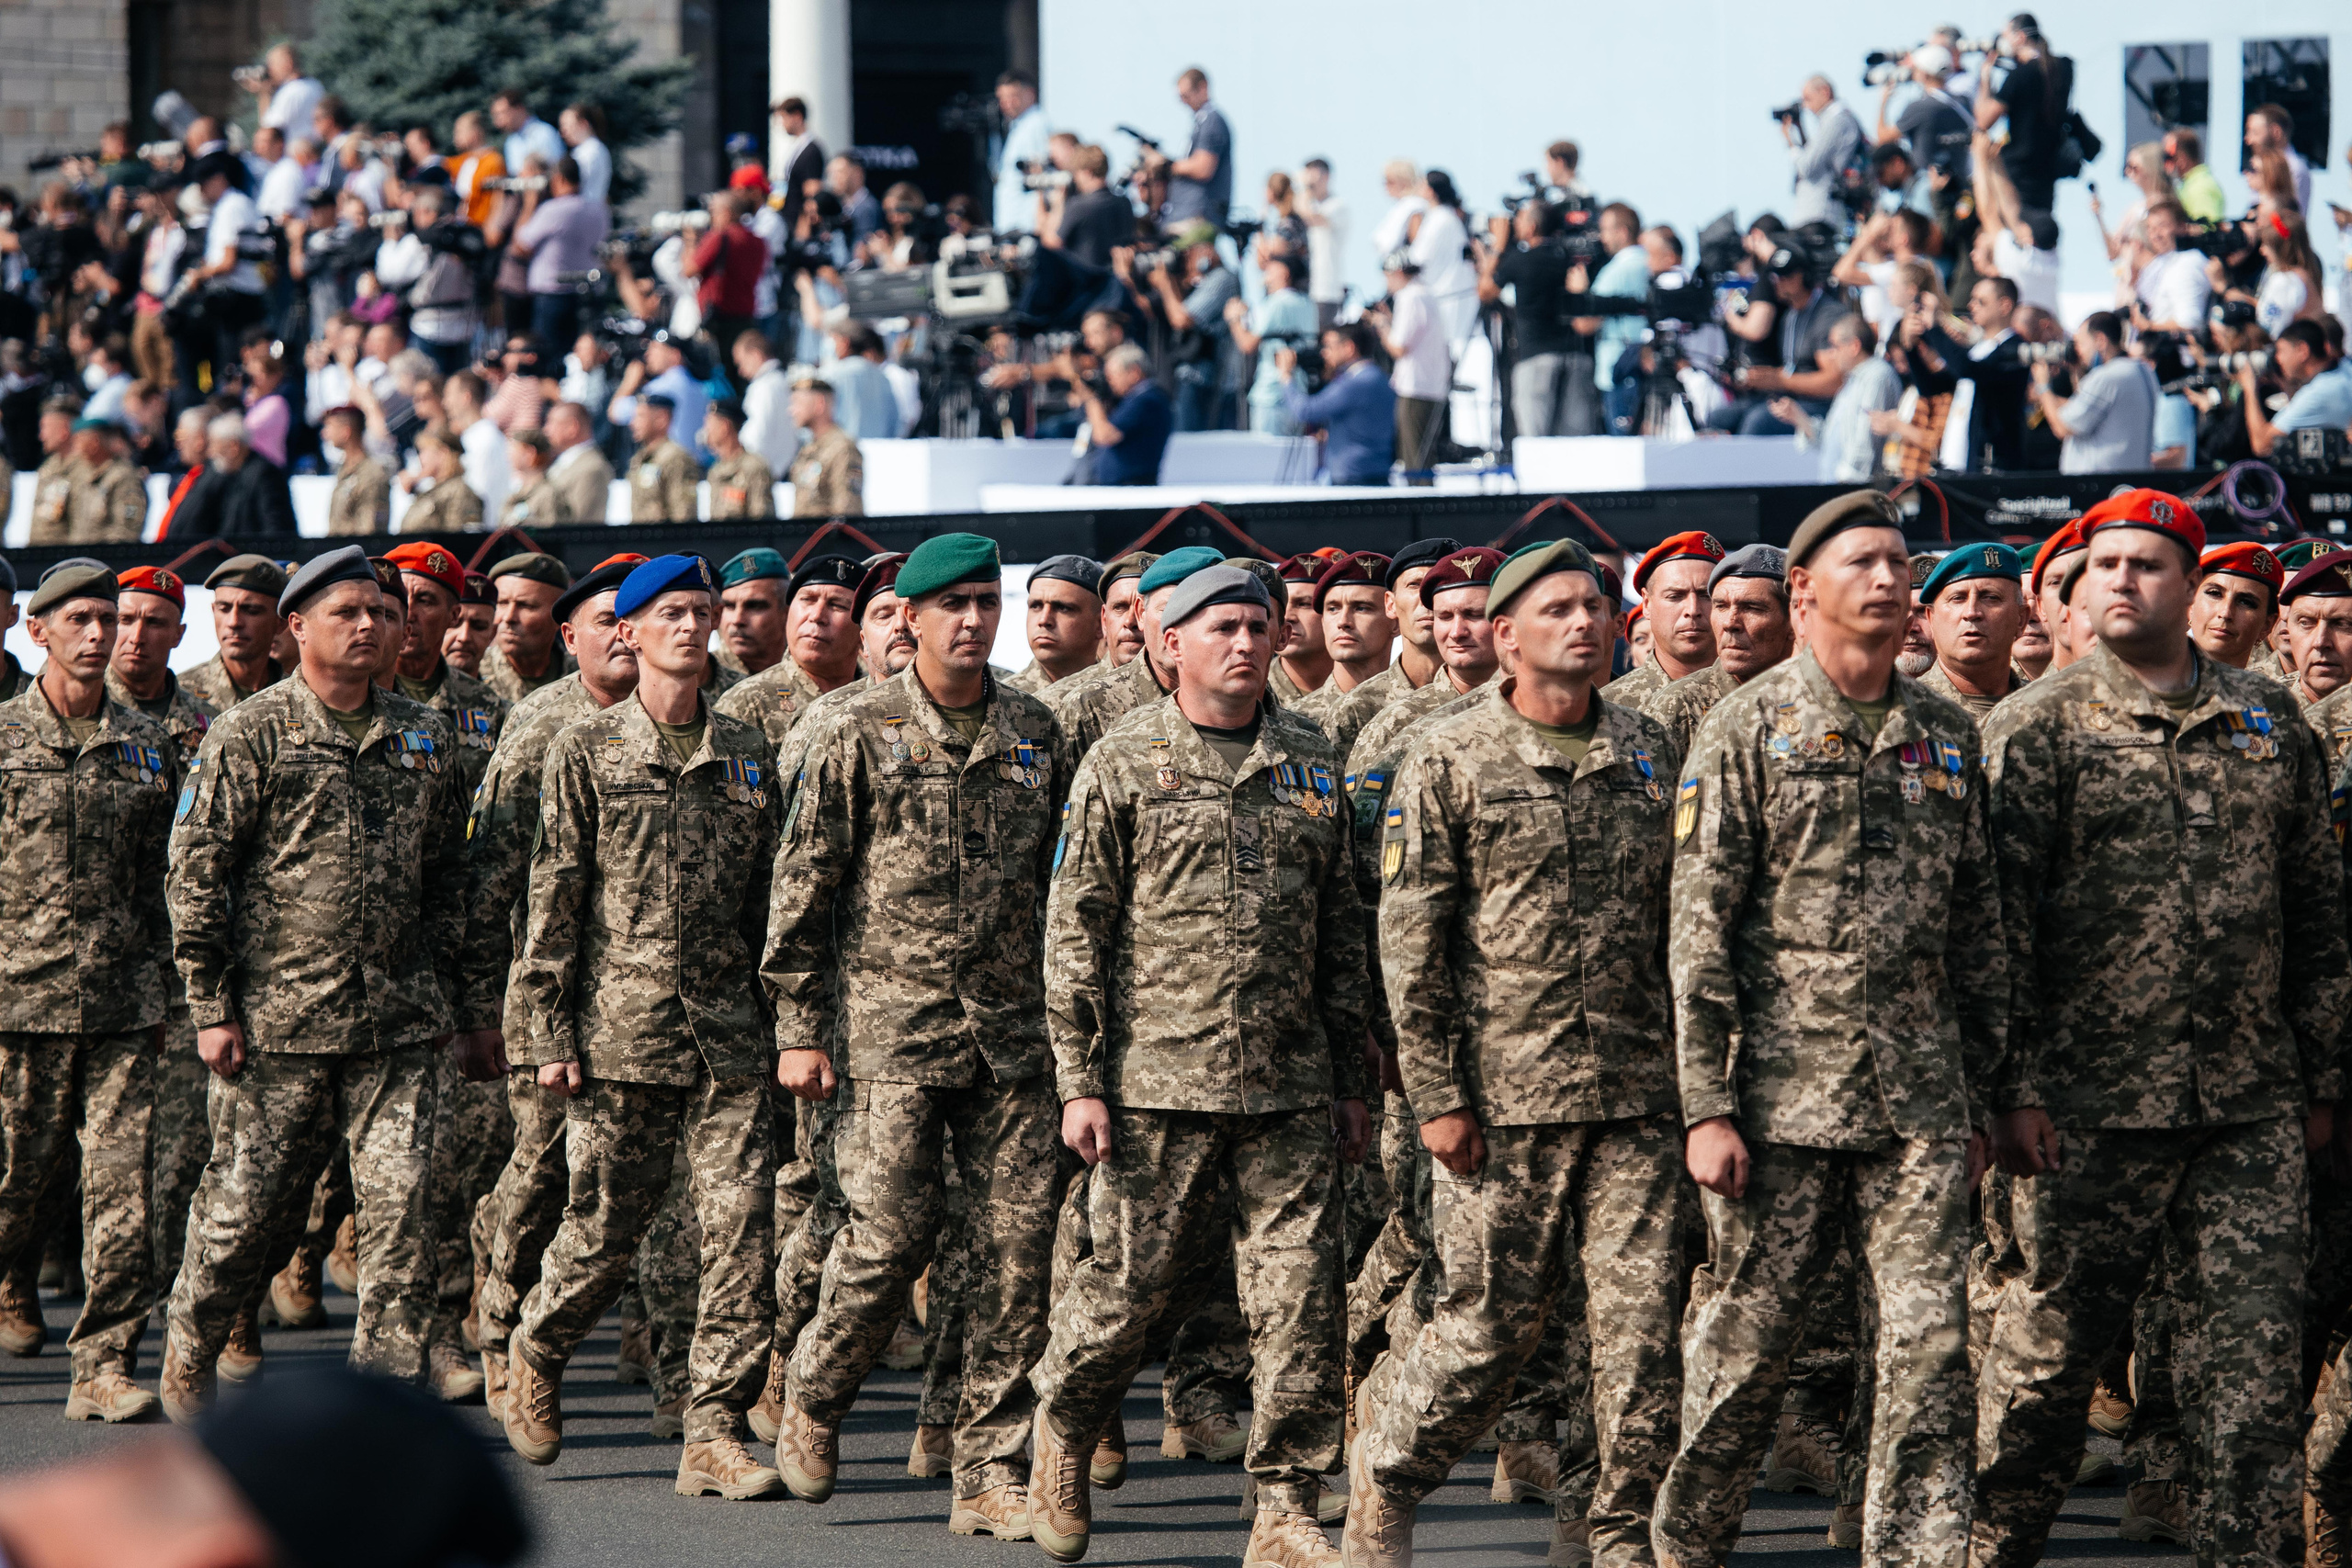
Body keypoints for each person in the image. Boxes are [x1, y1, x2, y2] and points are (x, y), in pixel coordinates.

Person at [1973, 489, 2347, 1568]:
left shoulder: (2267, 722)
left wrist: (2318, 1082)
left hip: (2248, 1107)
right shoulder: (2032, 728)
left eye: (2146, 564)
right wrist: (2014, 1089)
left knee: (2253, 1377)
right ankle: (1991, 1550)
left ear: (2189, 586)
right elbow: (1995, 930)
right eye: (2106, 566)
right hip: (2086, 1112)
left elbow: (2315, 913)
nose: (2122, 581)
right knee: (2045, 1374)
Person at [1657, 490, 2003, 1568]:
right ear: (1806, 590)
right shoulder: (1745, 727)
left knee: (1929, 1346)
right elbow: (1699, 930)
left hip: (1919, 1103)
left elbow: (1978, 929)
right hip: (1780, 1101)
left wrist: (1988, 1093)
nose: (1892, 580)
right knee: (1745, 1353)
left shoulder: (1943, 735)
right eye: (1865, 562)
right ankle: (1688, 1541)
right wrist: (1707, 1106)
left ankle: (1913, 1547)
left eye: (1901, 562)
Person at [1344, 536, 1683, 1568]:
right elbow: (1413, 944)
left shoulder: (1647, 749)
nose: (1584, 623)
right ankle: (1384, 1480)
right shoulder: (1449, 758)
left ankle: (1612, 1529)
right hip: (1504, 1102)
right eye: (1557, 610)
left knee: (1634, 1344)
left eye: (1595, 606)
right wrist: (1440, 1097)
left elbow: (1688, 924)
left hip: (1636, 1098)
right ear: (1502, 636)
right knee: (1486, 1332)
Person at [1026, 562, 1368, 1568]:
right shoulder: (1124, 761)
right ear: (1167, 642)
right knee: (1124, 1293)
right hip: (1154, 1083)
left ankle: (1286, 1504)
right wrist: (1079, 1081)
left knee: (1300, 1302)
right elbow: (1075, 930)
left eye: (1260, 625)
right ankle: (1064, 1426)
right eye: (1222, 625)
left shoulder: (1311, 755)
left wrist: (1352, 1079)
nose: (1247, 642)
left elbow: (1341, 931)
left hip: (1292, 1083)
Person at [759, 534, 1069, 1535]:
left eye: (987, 601)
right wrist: (799, 1028)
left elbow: (1062, 891)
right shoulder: (850, 727)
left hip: (1014, 1037)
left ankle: (986, 1468)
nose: (974, 621)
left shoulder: (1034, 727)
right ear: (912, 618)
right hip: (888, 1029)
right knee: (886, 1240)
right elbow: (803, 887)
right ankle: (814, 1390)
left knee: (1014, 1257)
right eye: (954, 605)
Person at [159, 546, 469, 1418]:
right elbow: (196, 873)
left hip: (400, 1028)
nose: (370, 624)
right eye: (347, 612)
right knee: (241, 1216)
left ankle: (384, 1412)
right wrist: (212, 1006)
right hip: (278, 1025)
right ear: (297, 628)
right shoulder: (251, 731)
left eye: (382, 610)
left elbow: (453, 873)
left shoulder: (424, 734)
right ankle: (191, 1346)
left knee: (403, 1222)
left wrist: (447, 990)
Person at [499, 555, 784, 1500]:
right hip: (619, 1032)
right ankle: (537, 1345)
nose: (693, 626)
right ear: (624, 631)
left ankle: (713, 1431)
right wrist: (546, 1033)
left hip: (729, 1034)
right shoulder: (585, 748)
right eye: (671, 612)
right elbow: (554, 898)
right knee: (604, 1230)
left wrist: (786, 1021)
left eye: (703, 611)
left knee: (741, 1232)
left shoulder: (747, 751)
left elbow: (767, 907)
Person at [0, 564, 178, 1424]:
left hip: (120, 1005)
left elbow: (164, 879)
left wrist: (168, 991)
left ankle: (104, 1363)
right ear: (37, 631)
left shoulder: (149, 743)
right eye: (80, 618)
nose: (101, 635)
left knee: (122, 1192)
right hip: (14, 1007)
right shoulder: (1, 739)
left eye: (108, 619)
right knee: (13, 1188)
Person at [1639, 544, 1795, 752]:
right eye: (1720, 606)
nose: (1730, 623)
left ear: (1795, 619)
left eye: (1752, 608)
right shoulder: (1676, 708)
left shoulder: (1826, 697)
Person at [1482, 202, 1588, 440]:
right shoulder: (1570, 258)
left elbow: (1486, 292)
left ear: (1531, 227)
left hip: (1535, 357)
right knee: (1573, 441)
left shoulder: (1521, 260)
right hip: (1574, 356)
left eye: (1519, 219)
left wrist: (1498, 247)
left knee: (1535, 439)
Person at [1602, 532, 1727, 704]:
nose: (1692, 610)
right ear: (1646, 604)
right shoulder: (1610, 706)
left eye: (1706, 596)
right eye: (1675, 596)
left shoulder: (1760, 698)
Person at [2030, 310, 2156, 474]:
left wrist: (2043, 386)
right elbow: (2086, 409)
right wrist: (2077, 371)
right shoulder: (2142, 370)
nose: (2077, 351)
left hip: (2098, 485)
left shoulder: (2106, 377)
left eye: (2080, 344)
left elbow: (2062, 428)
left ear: (2100, 340)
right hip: (2131, 478)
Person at [1777, 315, 1899, 481]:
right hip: (1840, 489)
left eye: (1834, 346)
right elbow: (1831, 441)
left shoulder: (1876, 376)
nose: (1831, 353)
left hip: (1854, 492)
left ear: (1854, 346)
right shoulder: (1852, 381)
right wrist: (1798, 417)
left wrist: (1845, 489)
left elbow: (1866, 442)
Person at [1975, 14, 2075, 218]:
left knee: (2017, 226)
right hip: (2049, 165)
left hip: (2019, 169)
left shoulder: (2019, 77)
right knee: (2041, 225)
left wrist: (1985, 77)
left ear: (2019, 37)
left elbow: (1984, 120)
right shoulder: (2063, 67)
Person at [1915, 544, 2030, 718]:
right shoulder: (1898, 713)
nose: (1971, 613)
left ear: (2021, 619)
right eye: (1957, 598)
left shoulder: (2054, 711)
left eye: (1991, 597)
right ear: (1931, 619)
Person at [1274, 321, 1395, 487]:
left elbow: (1305, 411)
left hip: (1352, 478)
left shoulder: (1354, 383)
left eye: (1329, 346)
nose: (1324, 353)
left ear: (1349, 348)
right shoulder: (1380, 377)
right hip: (1377, 472)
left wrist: (1286, 376)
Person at [511, 158, 608, 350]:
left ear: (559, 179)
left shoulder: (552, 210)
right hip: (588, 293)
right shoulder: (599, 209)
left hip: (552, 294)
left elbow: (520, 246)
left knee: (549, 354)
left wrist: (529, 204)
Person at [180, 556, 288, 713]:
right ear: (213, 611)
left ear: (280, 623)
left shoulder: (304, 698)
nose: (234, 622)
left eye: (251, 611)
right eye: (224, 608)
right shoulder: (180, 694)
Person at [1375, 252, 1448, 479]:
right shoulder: (1426, 295)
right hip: (1431, 385)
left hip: (1415, 387)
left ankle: (1420, 509)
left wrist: (1381, 326)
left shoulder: (1409, 297)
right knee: (1424, 456)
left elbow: (1398, 347)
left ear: (1397, 273)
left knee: (1414, 459)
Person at [1227, 255, 1318, 436]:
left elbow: (1247, 344)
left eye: (1271, 269)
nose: (1265, 273)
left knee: (1265, 458)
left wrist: (1234, 319)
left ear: (1284, 273)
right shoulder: (1308, 304)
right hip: (1297, 391)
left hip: (1270, 394)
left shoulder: (1275, 304)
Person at [170, 414, 298, 539]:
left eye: (214, 445)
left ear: (233, 447)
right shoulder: (225, 474)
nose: (210, 452)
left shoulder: (265, 475)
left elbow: (276, 529)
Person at [2243, 320, 2352, 459]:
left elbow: (2262, 445)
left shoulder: (2320, 392)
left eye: (2281, 351)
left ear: (2303, 350)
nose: (2277, 359)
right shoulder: (2344, 368)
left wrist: (2249, 388)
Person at [480, 553, 576, 703]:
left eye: (526, 606)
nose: (508, 617)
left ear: (559, 615)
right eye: (502, 603)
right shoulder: (472, 674)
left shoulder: (585, 676)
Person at [1070, 344, 1170, 488]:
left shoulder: (1147, 398)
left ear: (1134, 372)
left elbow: (1105, 436)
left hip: (1131, 489)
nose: (1110, 383)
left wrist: (1091, 399)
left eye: (1113, 376)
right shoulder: (1136, 398)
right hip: (1122, 487)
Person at [1011, 554, 1106, 693]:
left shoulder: (1123, 694)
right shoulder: (999, 700)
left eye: (1063, 608)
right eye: (1036, 606)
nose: (1044, 620)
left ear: (1100, 624)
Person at [1782, 75, 1864, 231]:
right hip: (1818, 211)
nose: (1806, 106)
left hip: (1820, 212)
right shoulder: (1834, 120)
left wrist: (1790, 143)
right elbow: (1816, 157)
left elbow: (1807, 166)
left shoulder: (1837, 120)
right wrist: (1799, 129)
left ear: (1824, 91)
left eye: (1807, 99)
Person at [2189, 543, 2286, 673]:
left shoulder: (2275, 693)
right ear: (2190, 604)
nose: (2226, 613)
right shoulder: (2153, 682)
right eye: (2214, 593)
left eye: (2246, 602)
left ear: (2267, 625)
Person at [1157, 68, 1233, 228]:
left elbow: (1203, 168)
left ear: (1203, 87)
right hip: (1185, 212)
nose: (1184, 101)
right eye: (1181, 97)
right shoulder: (1202, 121)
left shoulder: (1211, 120)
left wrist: (1165, 164)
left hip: (1198, 215)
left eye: (1186, 95)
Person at [787, 373, 865, 515]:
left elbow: (848, 510)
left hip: (828, 536)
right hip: (806, 536)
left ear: (819, 404)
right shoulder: (808, 449)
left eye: (797, 402)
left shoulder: (843, 448)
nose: (791, 410)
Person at [623, 393, 701, 524]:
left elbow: (684, 514)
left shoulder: (676, 458)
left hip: (665, 542)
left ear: (661, 419)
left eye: (640, 416)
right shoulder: (641, 458)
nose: (632, 424)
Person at [991, 70, 1050, 234]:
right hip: (1012, 223)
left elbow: (1041, 175)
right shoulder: (1017, 126)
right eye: (1002, 98)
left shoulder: (1036, 125)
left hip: (1025, 223)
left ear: (1030, 94)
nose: (1006, 103)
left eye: (1013, 96)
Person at [733, 333, 798, 474]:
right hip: (784, 469)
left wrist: (738, 465)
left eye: (741, 362)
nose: (741, 371)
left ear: (756, 355)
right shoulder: (783, 381)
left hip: (762, 472)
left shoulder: (763, 387)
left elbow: (755, 436)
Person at [398, 428, 483, 534]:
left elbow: (457, 539)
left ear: (442, 453)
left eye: (423, 451)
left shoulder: (459, 490)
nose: (420, 458)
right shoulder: (430, 491)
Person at [323, 407, 392, 534]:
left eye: (329, 426)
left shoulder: (372, 474)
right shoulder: (344, 471)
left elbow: (370, 530)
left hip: (359, 551)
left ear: (346, 432)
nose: (324, 434)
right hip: (340, 550)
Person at [545, 400, 615, 524]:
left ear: (572, 427)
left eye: (551, 423)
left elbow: (581, 522)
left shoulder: (591, 468)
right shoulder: (564, 462)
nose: (546, 430)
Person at [2243, 103, 2312, 218]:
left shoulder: (2294, 168)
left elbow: (2287, 225)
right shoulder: (2259, 166)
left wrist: (2263, 189)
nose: (2248, 140)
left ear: (2276, 132)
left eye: (2255, 132)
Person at [558, 103, 612, 207]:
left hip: (584, 208)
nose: (563, 131)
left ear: (584, 124)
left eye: (567, 125)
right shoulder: (588, 150)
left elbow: (574, 185)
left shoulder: (591, 151)